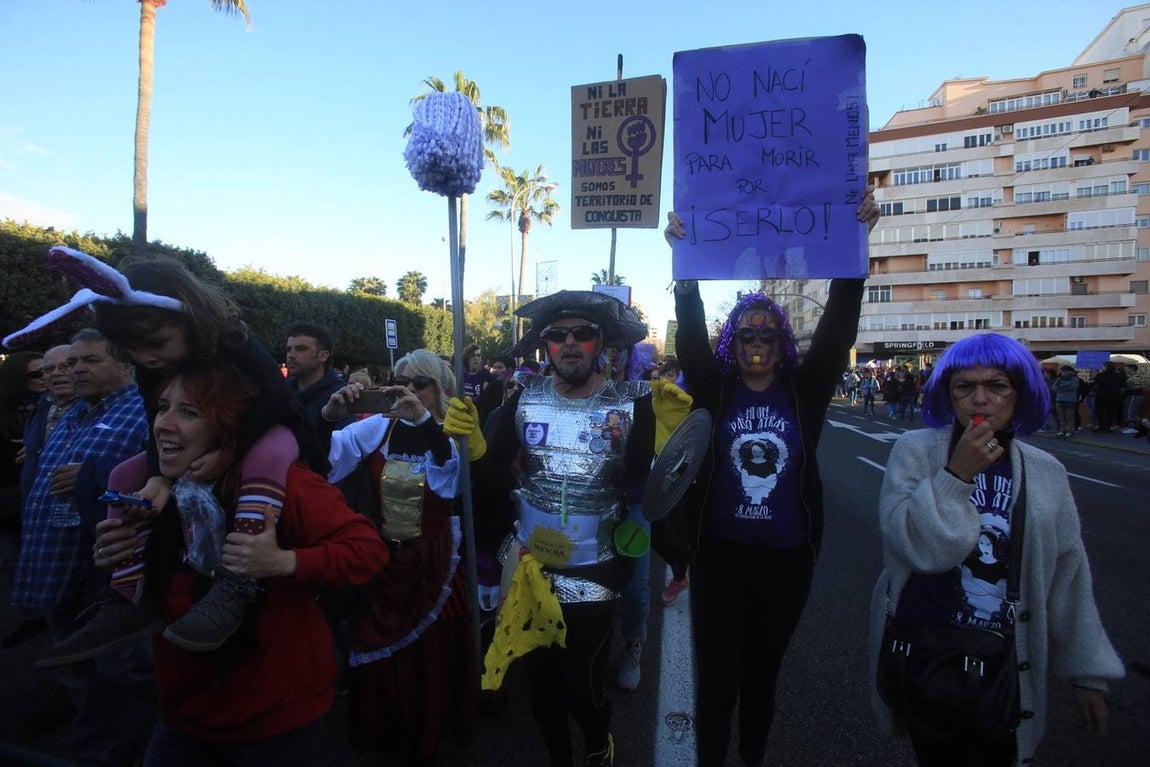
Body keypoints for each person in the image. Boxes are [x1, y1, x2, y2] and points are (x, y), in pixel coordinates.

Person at [10, 250, 315, 665]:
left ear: (189, 318)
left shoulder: (235, 344)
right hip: (203, 443)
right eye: (132, 349)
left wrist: (229, 449)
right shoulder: (153, 365)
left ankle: (239, 580)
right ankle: (126, 589)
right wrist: (158, 476)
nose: (146, 358)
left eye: (154, 344)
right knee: (122, 474)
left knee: (272, 448)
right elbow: (155, 414)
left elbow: (276, 405)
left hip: (269, 432)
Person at [662, 185, 878, 767]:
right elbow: (689, 337)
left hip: (786, 562)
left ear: (782, 345)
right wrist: (684, 270)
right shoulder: (717, 388)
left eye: (768, 335)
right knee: (717, 681)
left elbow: (836, 334)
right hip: (721, 557)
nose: (758, 343)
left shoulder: (805, 394)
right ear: (736, 343)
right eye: (748, 335)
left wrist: (855, 250)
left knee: (761, 679)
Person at [90, 361, 388, 766]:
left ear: (226, 423)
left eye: (189, 412)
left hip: (273, 720)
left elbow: (368, 549)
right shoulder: (148, 491)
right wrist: (117, 557)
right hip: (181, 712)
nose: (164, 424)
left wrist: (286, 561)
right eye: (162, 408)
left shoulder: (286, 484)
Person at [869, 333, 1124, 766]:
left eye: (996, 386)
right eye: (964, 387)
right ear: (947, 395)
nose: (979, 399)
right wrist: (956, 476)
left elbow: (1068, 574)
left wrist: (1088, 674)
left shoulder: (1046, 472)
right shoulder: (914, 452)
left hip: (1004, 660)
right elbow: (916, 547)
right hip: (927, 658)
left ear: (1019, 394)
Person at [444, 290, 663, 767]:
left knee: (581, 687)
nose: (569, 343)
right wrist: (475, 448)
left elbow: (666, 486)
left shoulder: (633, 403)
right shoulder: (525, 398)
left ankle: (596, 744)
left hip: (595, 572)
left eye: (581, 333)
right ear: (546, 347)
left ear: (599, 343)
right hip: (530, 570)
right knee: (541, 687)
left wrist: (676, 439)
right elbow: (491, 475)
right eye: (557, 335)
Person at [320, 349, 474, 765]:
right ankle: (384, 730)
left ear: (436, 388)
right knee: (376, 645)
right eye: (398, 380)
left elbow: (451, 484)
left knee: (429, 654)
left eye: (416, 383)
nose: (404, 390)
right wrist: (330, 415)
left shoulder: (452, 429)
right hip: (381, 558)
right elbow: (325, 460)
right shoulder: (377, 428)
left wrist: (423, 422)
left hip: (433, 559)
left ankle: (426, 734)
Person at [10, 329, 154, 765]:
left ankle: (135, 744)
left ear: (125, 364)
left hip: (107, 570)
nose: (75, 370)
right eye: (73, 362)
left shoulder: (145, 411)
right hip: (56, 559)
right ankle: (100, 738)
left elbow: (169, 472)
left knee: (121, 668)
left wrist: (97, 472)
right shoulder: (73, 413)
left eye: (88, 360)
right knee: (75, 665)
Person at [285, 322, 348, 432]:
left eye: (301, 349)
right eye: (289, 349)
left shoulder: (340, 397)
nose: (291, 355)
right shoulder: (281, 391)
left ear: (323, 356)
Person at [1052, 365, 1080, 439]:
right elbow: (1054, 388)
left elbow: (1073, 387)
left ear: (1070, 371)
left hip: (1070, 400)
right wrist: (1064, 387)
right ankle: (1062, 430)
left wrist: (1061, 387)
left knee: (1069, 417)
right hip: (1059, 400)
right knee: (1061, 417)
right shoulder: (1059, 379)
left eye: (1064, 371)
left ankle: (1069, 431)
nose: (1062, 373)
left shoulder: (1075, 379)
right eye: (1061, 371)